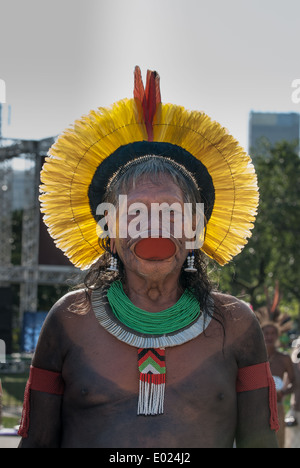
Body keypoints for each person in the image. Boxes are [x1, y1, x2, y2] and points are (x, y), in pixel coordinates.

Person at [18, 67, 278, 449]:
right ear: (109, 232)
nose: (153, 228)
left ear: (195, 232)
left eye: (171, 213)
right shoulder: (69, 321)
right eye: (136, 213)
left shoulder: (237, 325)